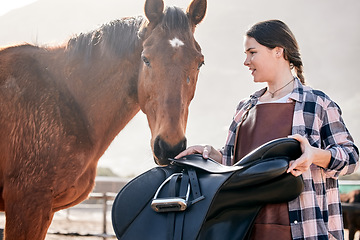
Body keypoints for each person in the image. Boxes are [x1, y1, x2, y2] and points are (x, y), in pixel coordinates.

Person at [175, 19, 359, 240]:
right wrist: (210, 154)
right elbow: (235, 164)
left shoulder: (317, 104)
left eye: (252, 52)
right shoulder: (244, 107)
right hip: (246, 228)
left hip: (303, 230)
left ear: (278, 51)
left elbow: (351, 159)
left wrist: (313, 155)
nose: (246, 61)